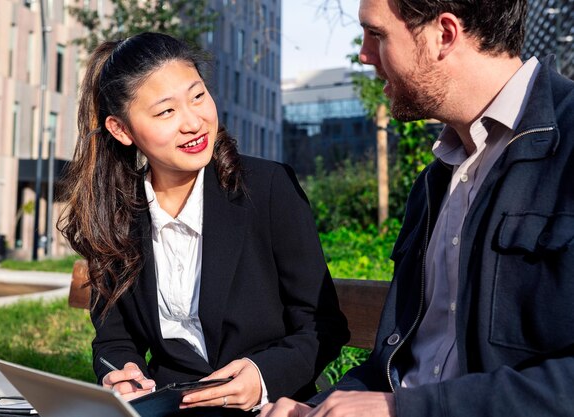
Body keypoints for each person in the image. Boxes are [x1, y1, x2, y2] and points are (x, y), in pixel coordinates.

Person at [260, 0, 574, 416]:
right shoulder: (436, 178)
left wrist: (403, 409)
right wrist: (318, 410)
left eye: (377, 34)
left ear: (444, 34)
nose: (364, 54)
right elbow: (398, 363)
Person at [58, 32, 349, 415]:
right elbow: (115, 338)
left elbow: (322, 324)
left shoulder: (268, 189)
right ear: (122, 130)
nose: (194, 122)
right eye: (166, 112)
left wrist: (262, 376)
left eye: (198, 96)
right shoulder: (116, 216)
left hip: (266, 408)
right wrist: (123, 375)